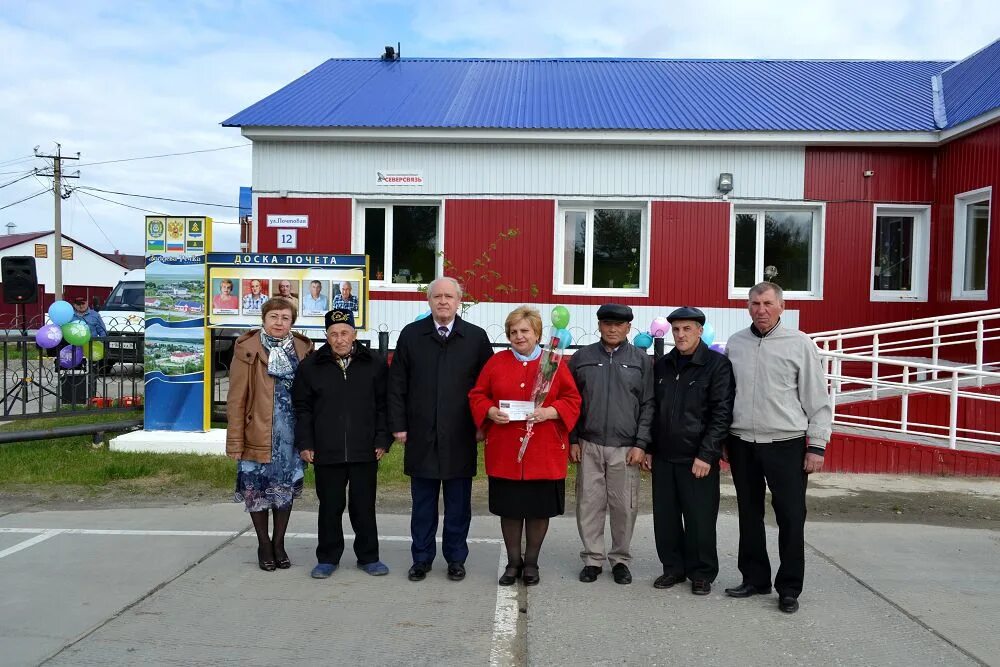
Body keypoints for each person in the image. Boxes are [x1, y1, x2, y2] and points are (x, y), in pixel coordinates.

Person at [724, 282, 832, 614]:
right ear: (748, 307)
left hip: (786, 444)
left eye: (768, 303)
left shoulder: (800, 345)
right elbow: (728, 395)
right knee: (749, 514)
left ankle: (788, 588)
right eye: (755, 303)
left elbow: (817, 399)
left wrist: (817, 446)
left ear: (781, 307)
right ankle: (755, 579)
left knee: (790, 516)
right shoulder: (735, 343)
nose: (761, 309)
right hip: (742, 442)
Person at [388, 276, 493, 583]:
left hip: (461, 434)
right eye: (438, 297)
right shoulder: (411, 335)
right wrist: (398, 426)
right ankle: (421, 559)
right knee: (422, 505)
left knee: (458, 505)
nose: (443, 301)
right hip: (420, 434)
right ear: (429, 301)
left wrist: (481, 424)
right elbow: (397, 385)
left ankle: (456, 559)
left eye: (449, 296)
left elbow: (487, 387)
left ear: (459, 301)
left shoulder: (475, 337)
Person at [469, 306, 581, 586]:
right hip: (506, 451)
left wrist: (551, 412)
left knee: (537, 510)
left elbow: (573, 399)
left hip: (543, 451)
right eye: (514, 332)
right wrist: (489, 412)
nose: (519, 336)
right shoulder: (496, 362)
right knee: (510, 510)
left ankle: (531, 564)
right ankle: (513, 562)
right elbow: (477, 394)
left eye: (525, 331)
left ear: (537, 333)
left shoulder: (553, 363)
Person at [293, 308, 391, 579]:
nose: (339, 339)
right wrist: (306, 443)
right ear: (326, 336)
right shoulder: (311, 366)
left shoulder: (374, 363)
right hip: (326, 450)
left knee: (364, 507)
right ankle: (327, 558)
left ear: (354, 334)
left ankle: (369, 557)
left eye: (345, 332)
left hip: (365, 449)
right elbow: (302, 408)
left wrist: (383, 438)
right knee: (330, 507)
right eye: (334, 334)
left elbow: (385, 406)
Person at [645, 307, 734, 595]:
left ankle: (702, 572)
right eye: (676, 330)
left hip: (697, 458)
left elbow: (721, 413)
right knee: (666, 518)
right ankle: (673, 568)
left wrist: (706, 454)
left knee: (700, 519)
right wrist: (648, 448)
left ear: (699, 330)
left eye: (687, 329)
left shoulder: (717, 365)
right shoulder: (664, 365)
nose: (680, 335)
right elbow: (653, 409)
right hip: (664, 455)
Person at [568, 303, 654, 585]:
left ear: (629, 327)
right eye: (607, 323)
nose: (613, 328)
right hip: (589, 443)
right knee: (589, 504)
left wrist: (642, 443)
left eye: (619, 324)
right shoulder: (582, 358)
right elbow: (572, 402)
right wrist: (573, 439)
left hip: (626, 447)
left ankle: (620, 559)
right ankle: (592, 559)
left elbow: (648, 404)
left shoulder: (641, 361)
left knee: (623, 506)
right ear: (599, 325)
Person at [226, 297, 313, 571]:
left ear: (292, 322)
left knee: (284, 492)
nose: (279, 322)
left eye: (285, 318)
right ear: (264, 319)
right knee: (257, 491)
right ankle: (264, 544)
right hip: (257, 431)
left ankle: (279, 543)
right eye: (274, 317)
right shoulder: (247, 348)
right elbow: (236, 398)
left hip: (290, 437)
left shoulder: (302, 348)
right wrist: (235, 440)